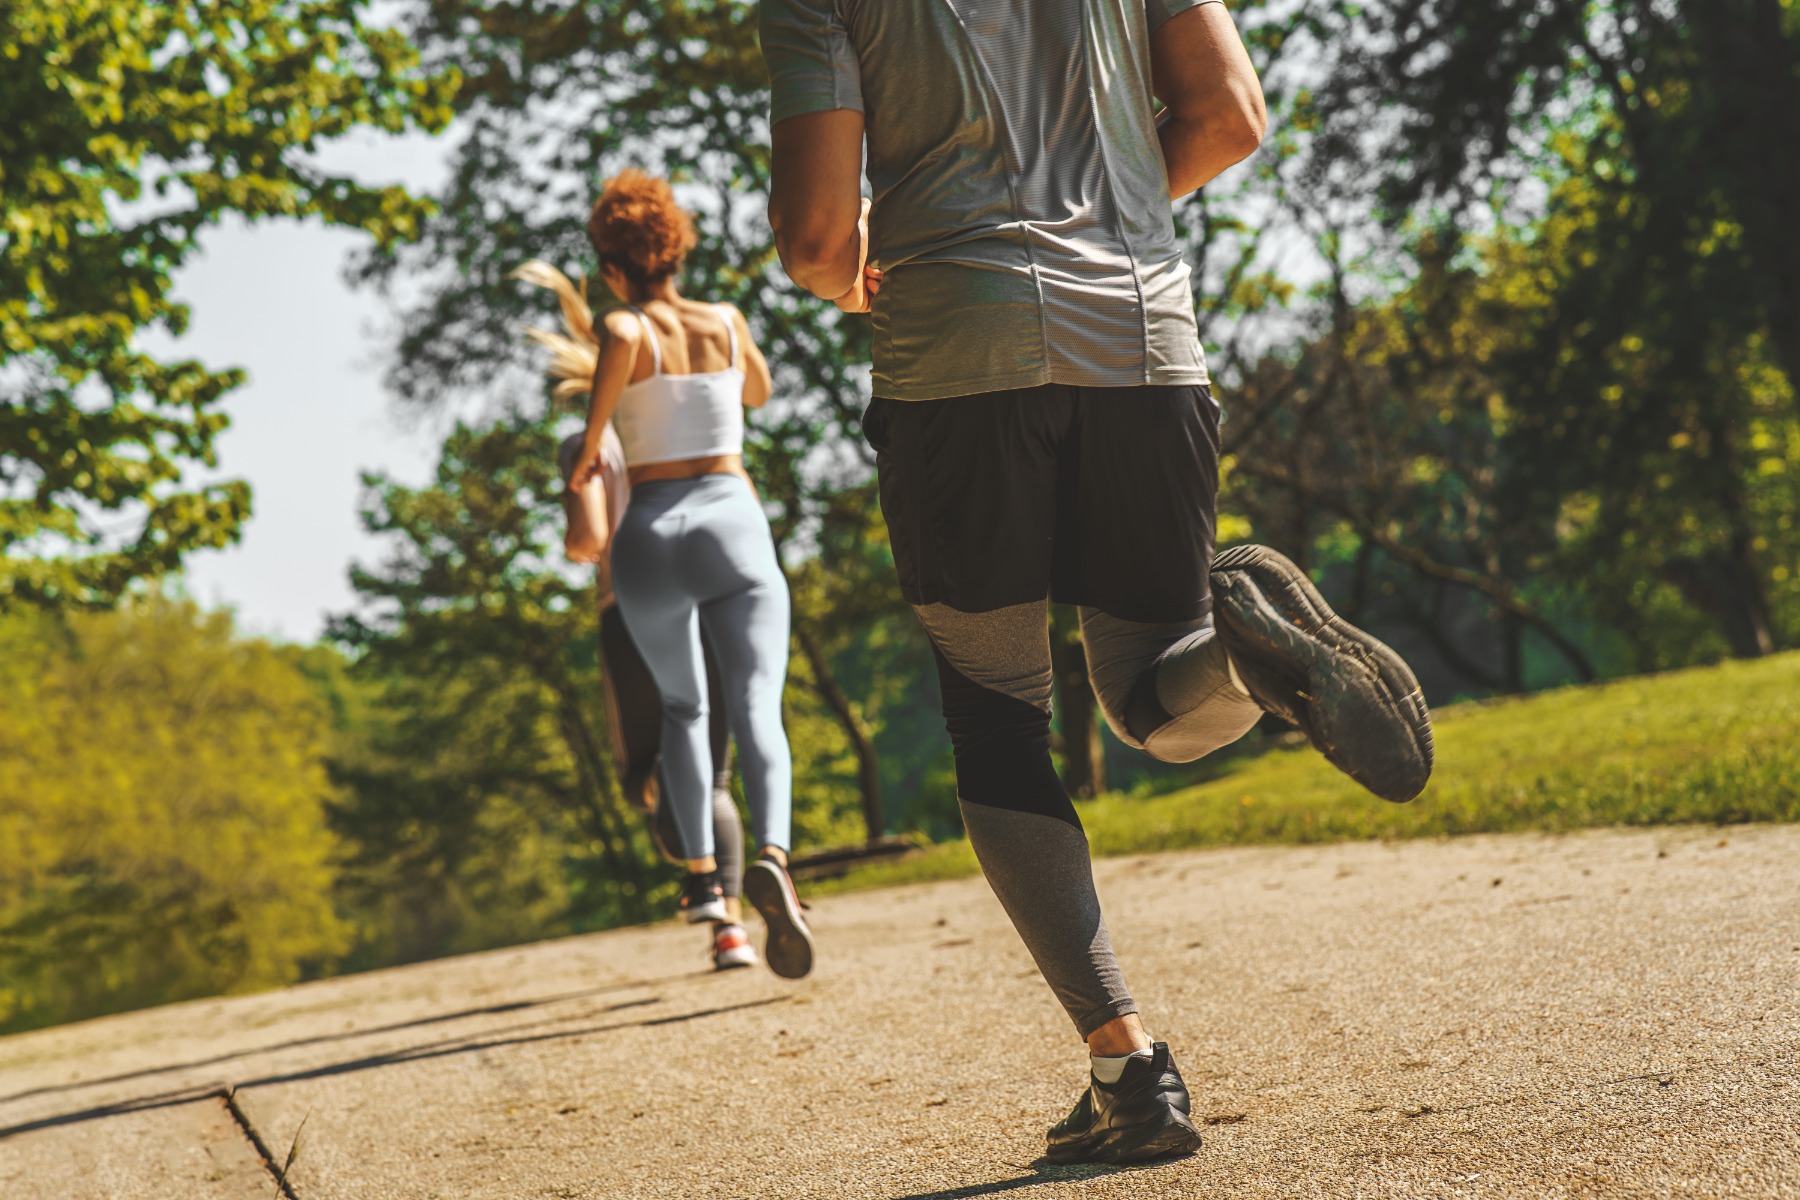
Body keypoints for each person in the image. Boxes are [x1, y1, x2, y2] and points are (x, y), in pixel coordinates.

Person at [761, 0, 1434, 1164]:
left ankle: (1128, 1066)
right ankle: (1245, 657)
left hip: (957, 356)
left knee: (1000, 719)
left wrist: (868, 269)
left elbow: (822, 240)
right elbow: (1228, 118)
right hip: (1144, 338)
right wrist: (1100, 219)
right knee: (1155, 699)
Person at [563, 170, 815, 980]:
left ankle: (708, 880)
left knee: (682, 709)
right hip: (728, 515)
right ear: (677, 249)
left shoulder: (621, 330)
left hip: (649, 535)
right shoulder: (727, 322)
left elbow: (594, 440)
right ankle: (774, 854)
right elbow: (760, 393)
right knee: (755, 704)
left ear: (612, 266)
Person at [515, 259, 760, 972]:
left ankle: (693, 865)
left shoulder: (588, 442)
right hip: (715, 590)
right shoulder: (689, 420)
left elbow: (588, 541)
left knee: (649, 776)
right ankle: (733, 928)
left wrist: (575, 503)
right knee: (712, 772)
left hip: (632, 611)